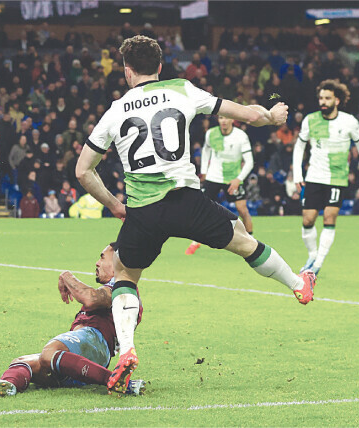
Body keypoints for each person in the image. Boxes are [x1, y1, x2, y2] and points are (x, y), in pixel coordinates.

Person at [74, 36, 316, 394]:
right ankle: (299, 285)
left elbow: (83, 171)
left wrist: (113, 205)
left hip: (142, 211)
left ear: (127, 70)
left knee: (125, 275)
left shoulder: (116, 109)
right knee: (244, 241)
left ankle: (127, 350)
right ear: (159, 65)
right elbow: (248, 113)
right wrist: (272, 116)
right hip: (186, 201)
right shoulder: (181, 90)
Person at [0, 243, 145, 396]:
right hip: (83, 359)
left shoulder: (122, 291)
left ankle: (115, 380)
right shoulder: (117, 290)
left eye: (102, 257)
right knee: (24, 362)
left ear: (117, 263)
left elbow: (91, 298)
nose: (97, 263)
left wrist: (66, 275)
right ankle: (7, 386)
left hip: (94, 342)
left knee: (49, 353)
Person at [293, 79, 359, 275]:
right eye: (321, 98)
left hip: (337, 178)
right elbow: (299, 147)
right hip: (314, 176)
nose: (323, 101)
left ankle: (318, 264)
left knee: (329, 217)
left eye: (327, 98)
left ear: (337, 100)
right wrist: (297, 174)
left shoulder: (349, 122)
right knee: (307, 220)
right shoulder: (310, 120)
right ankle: (312, 254)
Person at [186, 116, 254, 255]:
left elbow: (249, 162)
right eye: (221, 118)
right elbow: (206, 151)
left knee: (242, 209)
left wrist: (238, 179)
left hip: (233, 178)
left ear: (232, 120)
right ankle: (195, 242)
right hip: (213, 176)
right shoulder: (211, 133)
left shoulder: (241, 136)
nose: (223, 121)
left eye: (226, 118)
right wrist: (204, 171)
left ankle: (252, 241)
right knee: (201, 208)